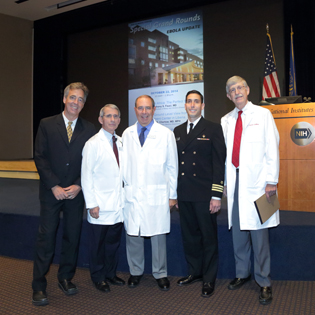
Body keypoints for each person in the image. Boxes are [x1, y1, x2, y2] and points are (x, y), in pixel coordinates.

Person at [32, 82, 96, 306]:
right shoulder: (47, 124)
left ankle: (65, 278)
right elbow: (39, 157)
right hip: (52, 192)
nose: (76, 102)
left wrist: (79, 185)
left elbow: (91, 163)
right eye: (72, 98)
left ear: (84, 104)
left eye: (80, 99)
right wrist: (54, 186)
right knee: (46, 238)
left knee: (72, 238)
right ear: (64, 99)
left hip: (75, 194)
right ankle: (39, 285)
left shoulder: (90, 129)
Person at [221, 76, 280, 305]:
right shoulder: (225, 119)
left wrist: (271, 181)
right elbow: (226, 156)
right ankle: (241, 274)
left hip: (258, 185)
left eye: (239, 88)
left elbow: (272, 148)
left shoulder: (263, 114)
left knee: (259, 234)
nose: (236, 92)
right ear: (228, 96)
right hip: (235, 185)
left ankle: (264, 281)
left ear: (247, 90)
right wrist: (225, 183)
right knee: (238, 233)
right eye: (231, 90)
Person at [122, 95, 178, 291]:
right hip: (133, 192)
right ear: (135, 109)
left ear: (154, 109)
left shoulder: (165, 134)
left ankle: (160, 273)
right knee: (133, 234)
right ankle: (135, 271)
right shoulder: (127, 134)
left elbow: (172, 166)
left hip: (158, 193)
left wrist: (173, 195)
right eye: (140, 108)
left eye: (148, 108)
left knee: (157, 235)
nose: (144, 112)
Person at [173, 90, 226, 297]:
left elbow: (218, 164)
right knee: (190, 237)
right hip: (184, 193)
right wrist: (174, 193)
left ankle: (208, 278)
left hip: (205, 195)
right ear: (185, 105)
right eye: (189, 102)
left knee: (208, 237)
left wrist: (216, 195)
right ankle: (194, 272)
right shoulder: (177, 131)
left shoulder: (213, 129)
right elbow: (174, 165)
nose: (192, 105)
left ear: (202, 105)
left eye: (196, 102)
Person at [81, 104, 125, 293]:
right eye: (109, 116)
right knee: (98, 245)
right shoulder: (92, 143)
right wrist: (92, 204)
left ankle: (110, 274)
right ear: (101, 120)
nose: (113, 119)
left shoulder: (122, 142)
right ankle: (98, 277)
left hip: (118, 204)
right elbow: (86, 175)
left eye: (116, 116)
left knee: (113, 243)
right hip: (100, 204)